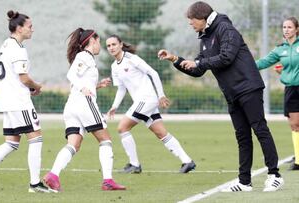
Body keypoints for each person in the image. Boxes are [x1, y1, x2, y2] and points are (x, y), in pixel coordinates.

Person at [158, 1, 284, 192]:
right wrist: (176, 60)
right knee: (242, 136)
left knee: (260, 129)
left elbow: (227, 57)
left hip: (248, 87)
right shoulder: (205, 37)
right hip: (232, 93)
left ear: (202, 18)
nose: (190, 24)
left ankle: (274, 175)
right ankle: (245, 181)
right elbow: (198, 69)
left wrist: (199, 63)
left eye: (192, 21)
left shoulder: (226, 28)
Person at [0, 10, 51, 193]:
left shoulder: (6, 44)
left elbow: (14, 76)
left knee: (11, 143)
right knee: (36, 138)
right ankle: (35, 184)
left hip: (8, 100)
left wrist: (29, 87)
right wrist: (36, 86)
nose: (32, 30)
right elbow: (24, 78)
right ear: (19, 28)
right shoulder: (18, 49)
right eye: (30, 27)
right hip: (19, 101)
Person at [43, 28, 126, 192]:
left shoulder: (85, 58)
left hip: (72, 106)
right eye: (99, 42)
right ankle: (108, 181)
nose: (100, 46)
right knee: (105, 140)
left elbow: (80, 80)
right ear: (92, 40)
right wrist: (84, 89)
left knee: (73, 144)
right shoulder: (84, 56)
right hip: (84, 104)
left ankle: (53, 175)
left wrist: (96, 86)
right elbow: (71, 75)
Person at [105, 35, 196, 174]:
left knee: (122, 128)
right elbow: (122, 88)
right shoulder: (114, 67)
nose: (111, 48)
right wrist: (114, 106)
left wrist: (161, 95)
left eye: (114, 44)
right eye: (108, 46)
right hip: (143, 102)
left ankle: (134, 165)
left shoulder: (132, 59)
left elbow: (153, 73)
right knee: (161, 132)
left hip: (146, 99)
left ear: (121, 45)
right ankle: (187, 161)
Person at [256, 17, 299, 171]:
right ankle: (298, 159)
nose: (286, 30)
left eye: (289, 27)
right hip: (291, 90)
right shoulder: (280, 49)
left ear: (297, 29)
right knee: (295, 125)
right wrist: (245, 65)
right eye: (284, 27)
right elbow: (264, 62)